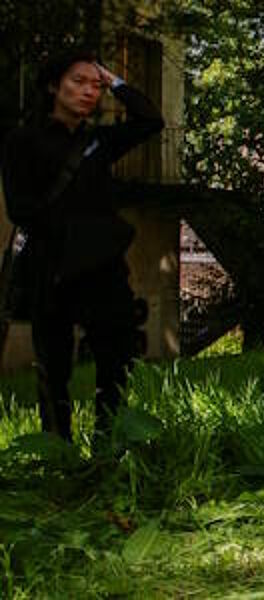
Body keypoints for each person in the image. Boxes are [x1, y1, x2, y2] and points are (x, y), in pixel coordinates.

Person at [1, 52, 163, 443]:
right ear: (54, 86)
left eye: (95, 85)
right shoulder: (23, 139)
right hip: (51, 267)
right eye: (79, 81)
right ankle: (58, 453)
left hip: (103, 268)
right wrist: (71, 230)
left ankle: (109, 444)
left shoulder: (98, 141)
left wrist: (115, 81)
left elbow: (150, 121)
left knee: (118, 357)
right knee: (53, 369)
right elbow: (21, 206)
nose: (90, 91)